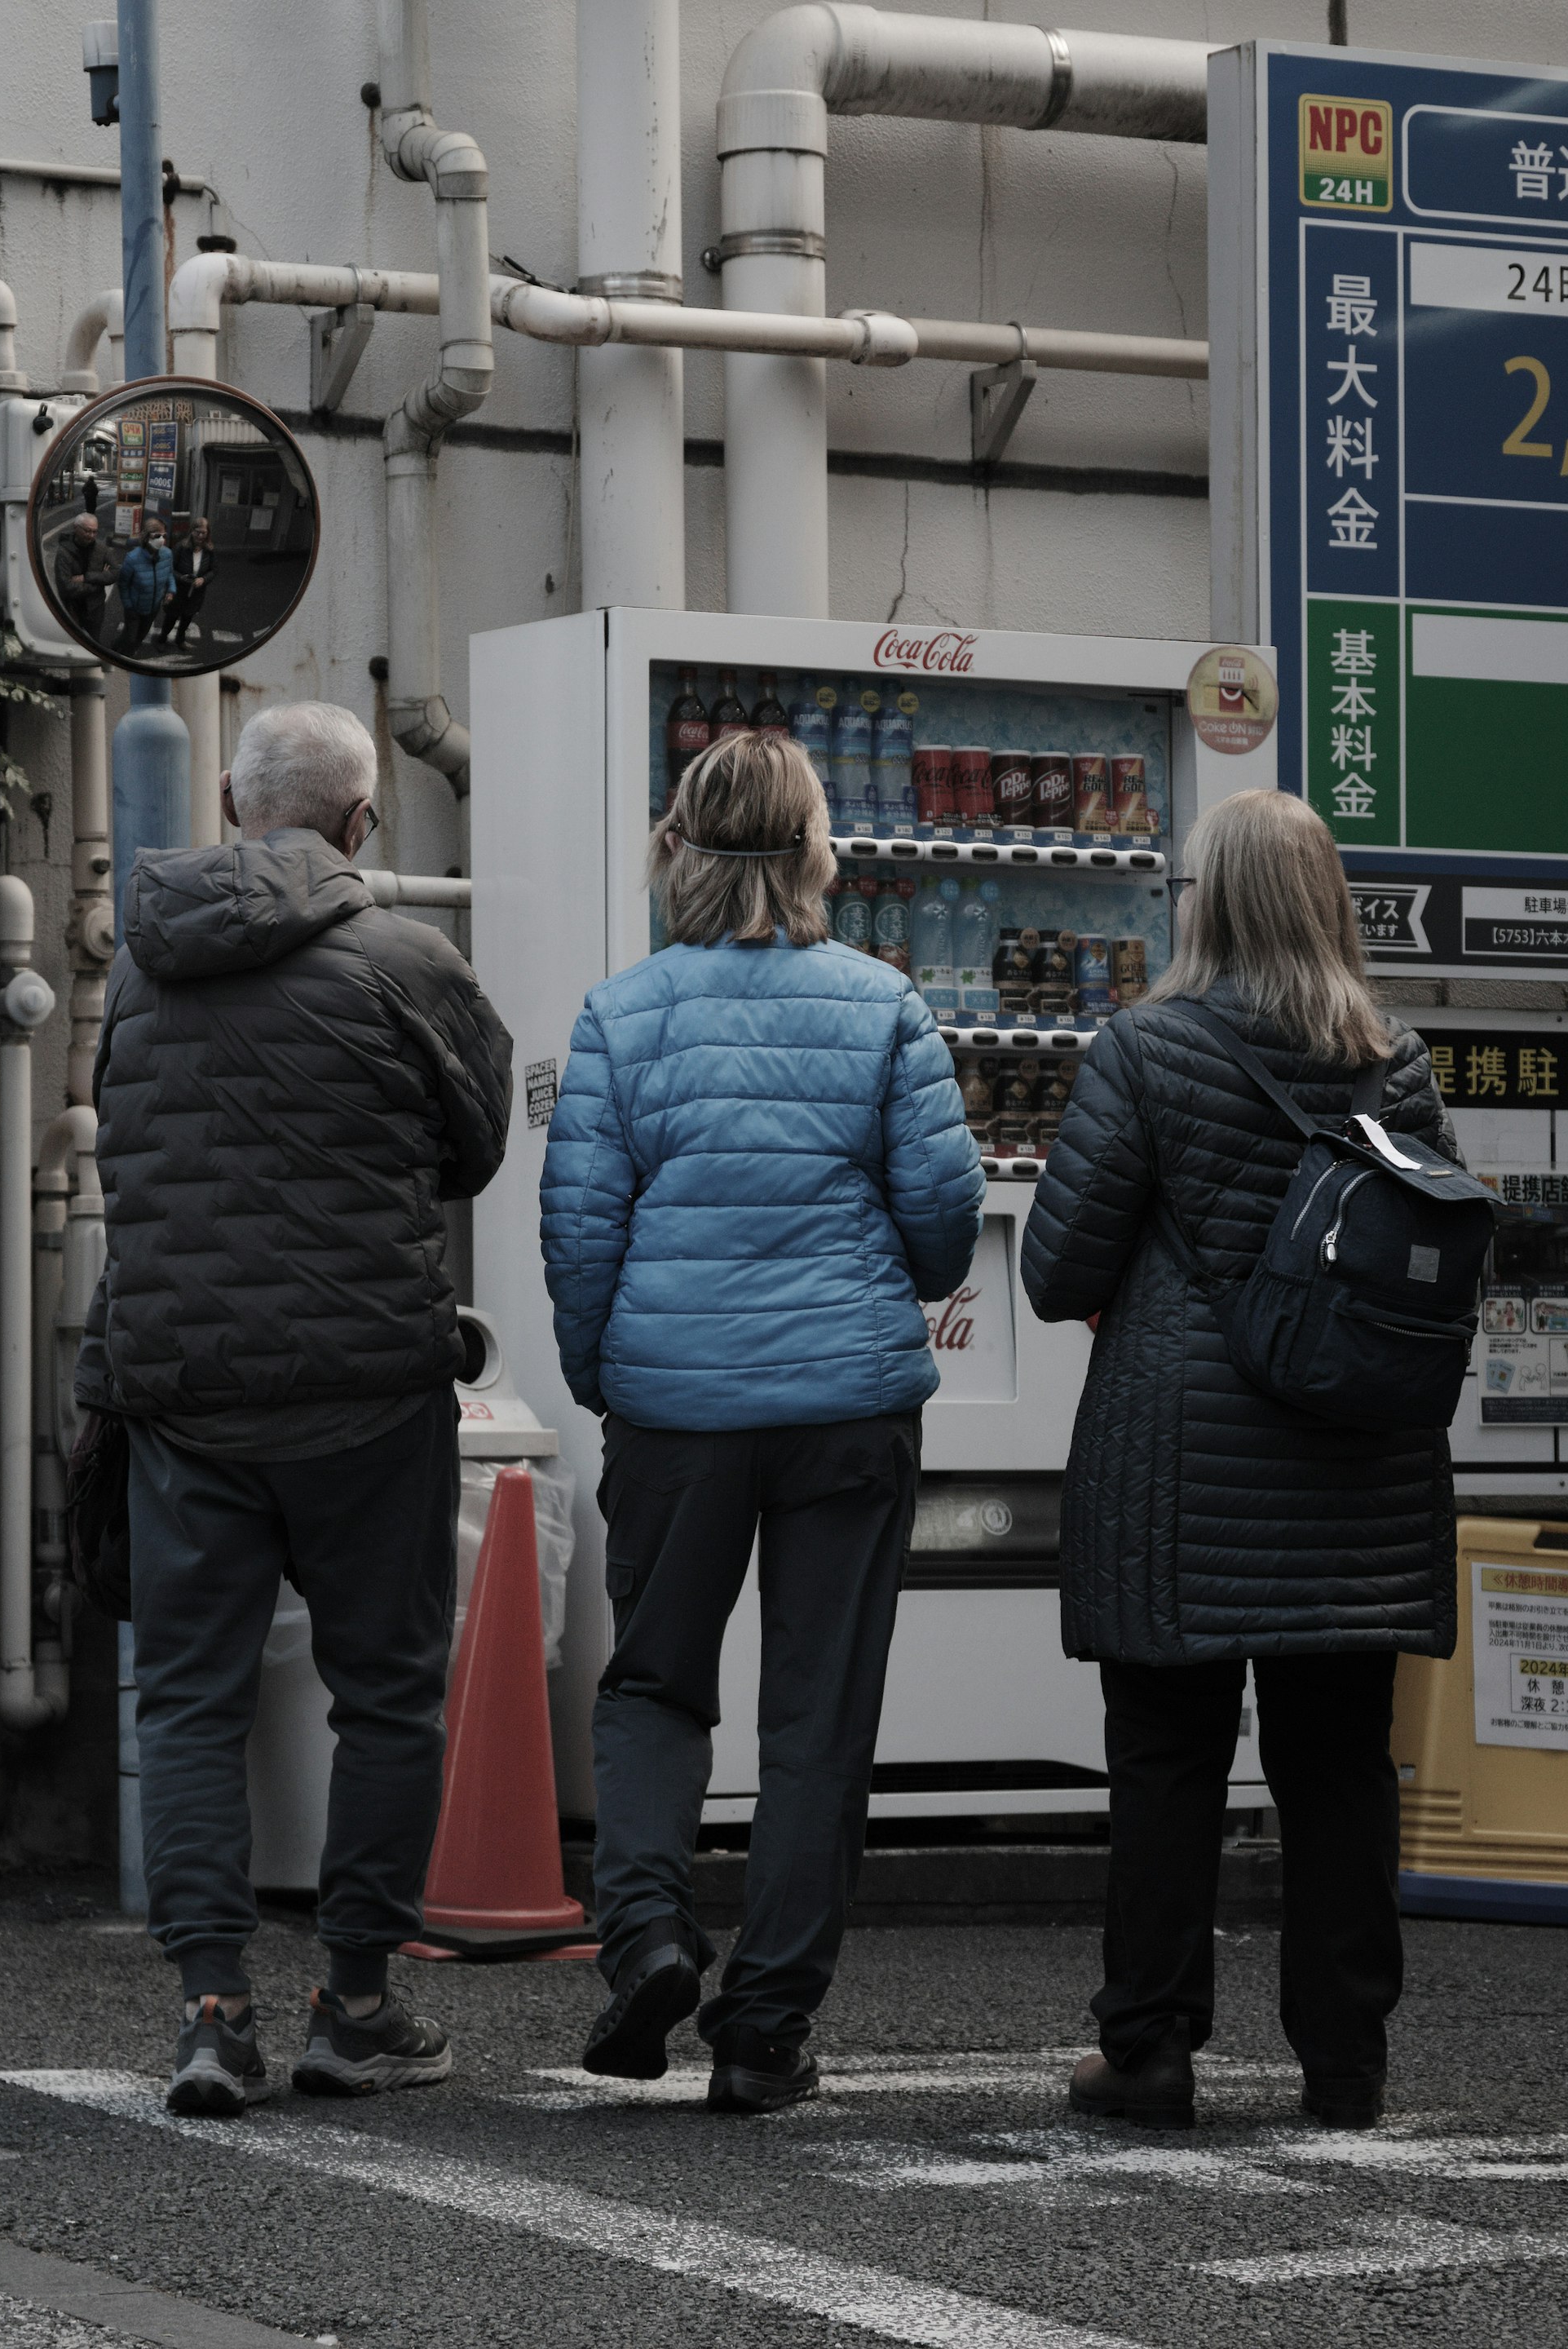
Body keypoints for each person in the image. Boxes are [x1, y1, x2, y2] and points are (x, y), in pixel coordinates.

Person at [541, 729, 984, 2115]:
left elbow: (580, 1236)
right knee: (817, 1720)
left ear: (677, 846)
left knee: (657, 1685)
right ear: (812, 852)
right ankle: (765, 2031)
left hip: (674, 1406)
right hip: (848, 1406)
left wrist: (606, 1373)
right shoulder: (885, 1006)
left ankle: (650, 1942)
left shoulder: (622, 1013)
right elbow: (943, 1230)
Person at [78, 700, 512, 2115]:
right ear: (362, 823)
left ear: (227, 801)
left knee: (189, 1705)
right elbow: (476, 1148)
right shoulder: (407, 959)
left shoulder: (142, 975)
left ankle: (211, 2013)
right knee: (384, 1697)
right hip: (367, 1392)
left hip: (185, 1391)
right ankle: (358, 2003)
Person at [1020, 788, 1459, 2135]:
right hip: (1354, 1465)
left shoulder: (1145, 1052)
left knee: (1168, 1761)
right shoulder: (1398, 1064)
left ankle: (1147, 2049)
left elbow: (1054, 1271)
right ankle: (1346, 2065)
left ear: (1208, 906)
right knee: (1338, 1767)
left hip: (1182, 1470)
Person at [48, 511, 114, 645]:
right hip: (73, 609)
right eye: (87, 531)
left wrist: (87, 578)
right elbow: (66, 587)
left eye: (95, 532)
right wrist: (98, 584)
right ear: (75, 528)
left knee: (94, 643)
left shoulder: (102, 549)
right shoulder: (64, 552)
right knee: (72, 643)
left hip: (95, 609)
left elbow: (115, 573)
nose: (91, 536)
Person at [116, 516, 175, 649]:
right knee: (129, 637)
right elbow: (123, 584)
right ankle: (117, 652)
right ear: (147, 537)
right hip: (135, 608)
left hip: (154, 606)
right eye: (157, 536)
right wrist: (128, 605)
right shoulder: (132, 559)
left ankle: (131, 653)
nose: (162, 540)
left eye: (164, 535)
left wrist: (171, 590)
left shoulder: (167, 554)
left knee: (142, 635)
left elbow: (170, 574)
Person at [160, 515, 217, 647]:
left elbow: (214, 570)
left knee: (187, 617)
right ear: (192, 531)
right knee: (171, 617)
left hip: (197, 592)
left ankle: (180, 639)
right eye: (198, 532)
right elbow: (170, 569)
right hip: (178, 590)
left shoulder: (210, 550)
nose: (200, 536)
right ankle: (162, 639)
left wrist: (204, 579)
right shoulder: (181, 547)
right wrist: (181, 578)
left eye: (204, 533)